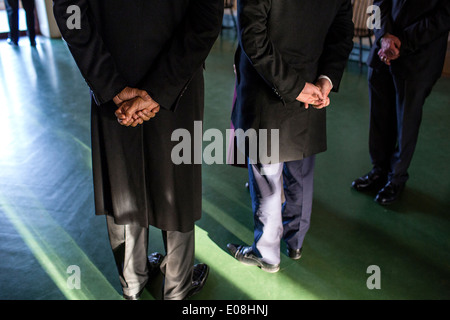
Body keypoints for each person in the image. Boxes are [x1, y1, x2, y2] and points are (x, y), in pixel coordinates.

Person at [53, 0, 223, 300]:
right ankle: (176, 288)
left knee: (122, 181)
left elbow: (71, 12)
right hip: (176, 87)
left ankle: (133, 282)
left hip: (113, 88)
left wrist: (112, 86)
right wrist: (160, 90)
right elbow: (205, 18)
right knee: (176, 184)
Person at [227, 0, 354, 272]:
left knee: (267, 177)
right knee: (301, 169)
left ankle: (267, 253)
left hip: (268, 90)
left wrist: (295, 87)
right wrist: (326, 79)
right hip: (315, 91)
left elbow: (254, 38)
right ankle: (296, 241)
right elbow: (342, 31)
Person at [352, 0, 450, 205]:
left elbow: (444, 16)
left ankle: (396, 179)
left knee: (406, 119)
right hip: (382, 49)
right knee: (379, 115)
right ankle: (379, 170)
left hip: (419, 56)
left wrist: (400, 42)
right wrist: (383, 36)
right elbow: (378, 3)